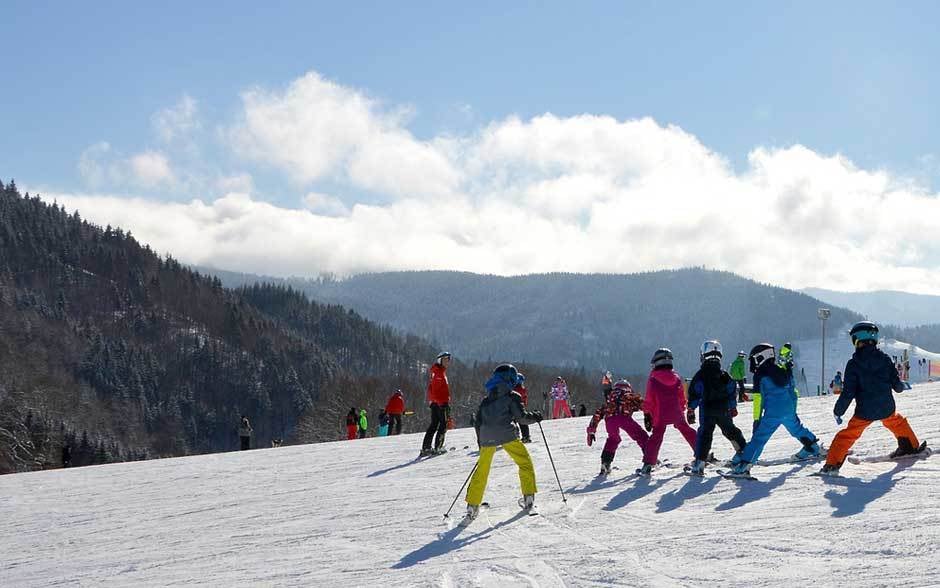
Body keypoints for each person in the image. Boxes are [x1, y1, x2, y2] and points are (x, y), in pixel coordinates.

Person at [819, 322, 924, 476]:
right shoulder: (885, 359)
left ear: (857, 340)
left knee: (847, 435)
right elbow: (896, 385)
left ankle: (831, 465)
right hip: (886, 407)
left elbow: (848, 392)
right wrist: (901, 386)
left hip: (865, 411)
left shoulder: (854, 364)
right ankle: (910, 446)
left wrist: (838, 411)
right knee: (897, 422)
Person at [463, 364, 543, 524]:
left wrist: (481, 443)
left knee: (482, 471)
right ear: (510, 378)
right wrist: (535, 417)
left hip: (486, 437)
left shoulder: (486, 400)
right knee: (524, 463)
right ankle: (528, 498)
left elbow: (478, 423)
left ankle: (472, 507)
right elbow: (521, 418)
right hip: (507, 435)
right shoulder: (513, 396)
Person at [727, 343, 821, 476]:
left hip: (772, 413)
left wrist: (757, 419)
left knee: (759, 438)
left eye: (755, 359)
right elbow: (793, 392)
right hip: (788, 409)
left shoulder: (760, 375)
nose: (754, 362)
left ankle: (744, 466)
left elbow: (758, 399)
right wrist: (793, 411)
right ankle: (813, 447)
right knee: (797, 429)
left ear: (761, 357)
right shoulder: (781, 370)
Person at [686, 340, 747, 475]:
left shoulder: (700, 375)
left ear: (703, 355)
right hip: (723, 409)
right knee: (730, 430)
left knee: (705, 434)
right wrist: (733, 407)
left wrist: (691, 409)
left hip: (707, 410)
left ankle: (699, 463)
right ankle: (743, 452)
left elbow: (695, 393)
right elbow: (732, 390)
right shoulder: (724, 375)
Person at [640, 348, 698, 476]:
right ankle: (701, 453)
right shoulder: (676, 378)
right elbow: (681, 397)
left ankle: (648, 464)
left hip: (660, 414)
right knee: (687, 431)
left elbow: (649, 398)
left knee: (656, 437)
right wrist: (682, 409)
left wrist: (647, 413)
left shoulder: (653, 378)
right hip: (676, 412)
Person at [587, 379, 647, 475]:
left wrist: (591, 430)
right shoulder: (628, 395)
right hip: (624, 417)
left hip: (610, 420)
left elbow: (598, 413)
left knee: (613, 439)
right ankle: (649, 460)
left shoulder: (610, 398)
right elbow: (644, 404)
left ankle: (605, 463)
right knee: (641, 436)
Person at [421, 352, 452, 456]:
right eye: (445, 359)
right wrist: (441, 403)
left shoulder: (437, 371)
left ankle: (426, 448)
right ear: (440, 361)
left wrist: (432, 401)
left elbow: (431, 389)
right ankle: (438, 447)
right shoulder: (439, 373)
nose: (447, 362)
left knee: (434, 424)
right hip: (440, 403)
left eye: (448, 359)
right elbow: (435, 390)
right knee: (443, 425)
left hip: (436, 402)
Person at [514, 372, 533, 443]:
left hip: (513, 408)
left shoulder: (513, 389)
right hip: (521, 408)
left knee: (512, 422)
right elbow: (525, 399)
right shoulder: (522, 389)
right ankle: (526, 436)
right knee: (523, 422)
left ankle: (515, 437)